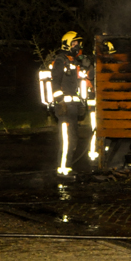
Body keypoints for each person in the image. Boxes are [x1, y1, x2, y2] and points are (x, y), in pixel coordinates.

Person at [44, 31, 92, 176]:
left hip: (74, 107)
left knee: (73, 139)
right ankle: (63, 170)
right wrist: (59, 102)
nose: (77, 46)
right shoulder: (61, 61)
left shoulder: (74, 62)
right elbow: (55, 83)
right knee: (66, 140)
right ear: (67, 44)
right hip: (64, 107)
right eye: (74, 43)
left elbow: (79, 85)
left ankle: (68, 167)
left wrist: (81, 104)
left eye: (78, 43)